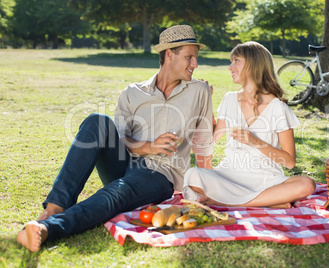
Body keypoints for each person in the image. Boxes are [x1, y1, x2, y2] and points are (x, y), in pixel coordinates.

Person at [17, 25, 214, 252]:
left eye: (195, 58)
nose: (195, 64)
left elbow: (203, 142)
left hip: (159, 175)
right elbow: (120, 138)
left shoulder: (199, 91)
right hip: (122, 163)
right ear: (169, 54)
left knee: (114, 195)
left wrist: (204, 187)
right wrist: (148, 146)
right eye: (189, 57)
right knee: (97, 120)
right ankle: (55, 207)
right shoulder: (132, 92)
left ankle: (47, 229)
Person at [182, 41, 316, 208]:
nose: (230, 67)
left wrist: (256, 142)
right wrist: (206, 102)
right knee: (192, 174)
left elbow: (289, 162)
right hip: (229, 175)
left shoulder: (278, 108)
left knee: (307, 184)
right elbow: (212, 140)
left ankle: (229, 202)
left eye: (236, 61)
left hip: (267, 179)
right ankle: (269, 202)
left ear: (254, 65)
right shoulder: (229, 99)